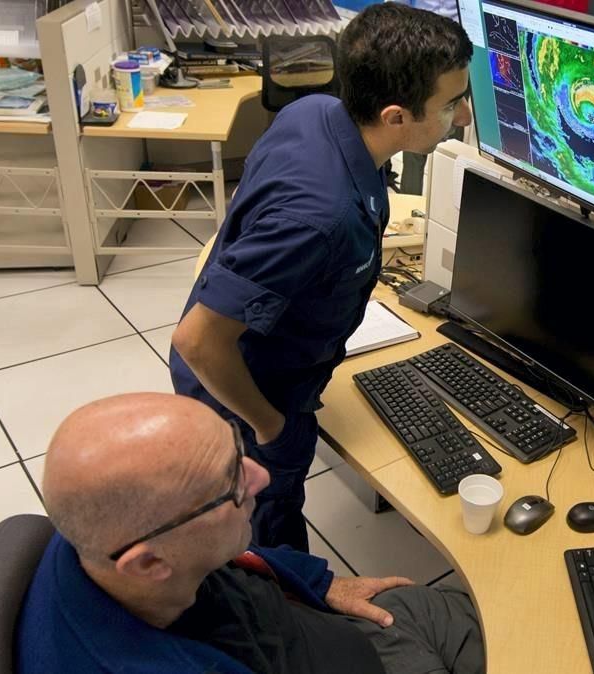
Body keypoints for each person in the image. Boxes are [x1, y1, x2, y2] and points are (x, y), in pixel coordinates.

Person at [170, 3, 474, 551]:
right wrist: (271, 427)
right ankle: (291, 614)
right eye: (452, 104)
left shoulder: (316, 113)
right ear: (395, 116)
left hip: (261, 357)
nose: (465, 118)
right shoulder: (319, 218)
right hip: (244, 392)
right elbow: (197, 341)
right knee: (267, 533)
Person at [16, 393, 484, 673]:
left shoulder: (99, 535)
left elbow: (232, 551)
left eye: (236, 451)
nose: (259, 477)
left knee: (485, 614)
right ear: (150, 563)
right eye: (231, 487)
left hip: (323, 628)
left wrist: (322, 584)